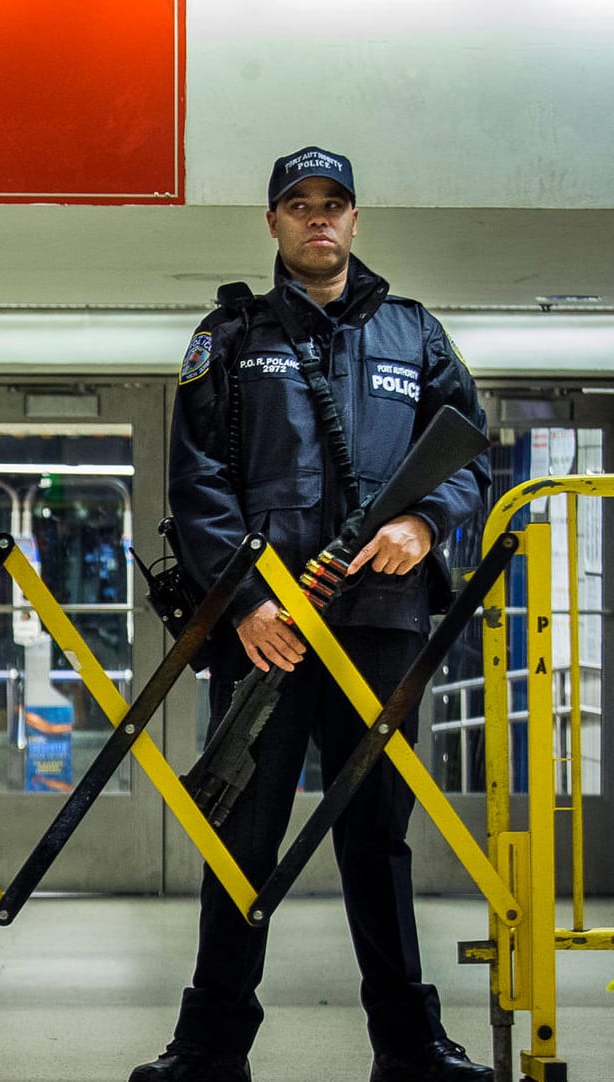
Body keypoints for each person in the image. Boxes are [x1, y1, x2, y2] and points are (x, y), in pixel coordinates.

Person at [131, 147, 494, 1082]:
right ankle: (209, 1048)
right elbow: (197, 485)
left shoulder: (416, 336)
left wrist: (424, 519)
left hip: (381, 625)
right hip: (269, 635)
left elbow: (469, 458)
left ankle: (410, 1045)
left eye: (332, 204)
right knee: (239, 835)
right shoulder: (230, 338)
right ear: (273, 224)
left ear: (356, 219)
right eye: (298, 204)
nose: (317, 218)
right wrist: (245, 605)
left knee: (375, 833)